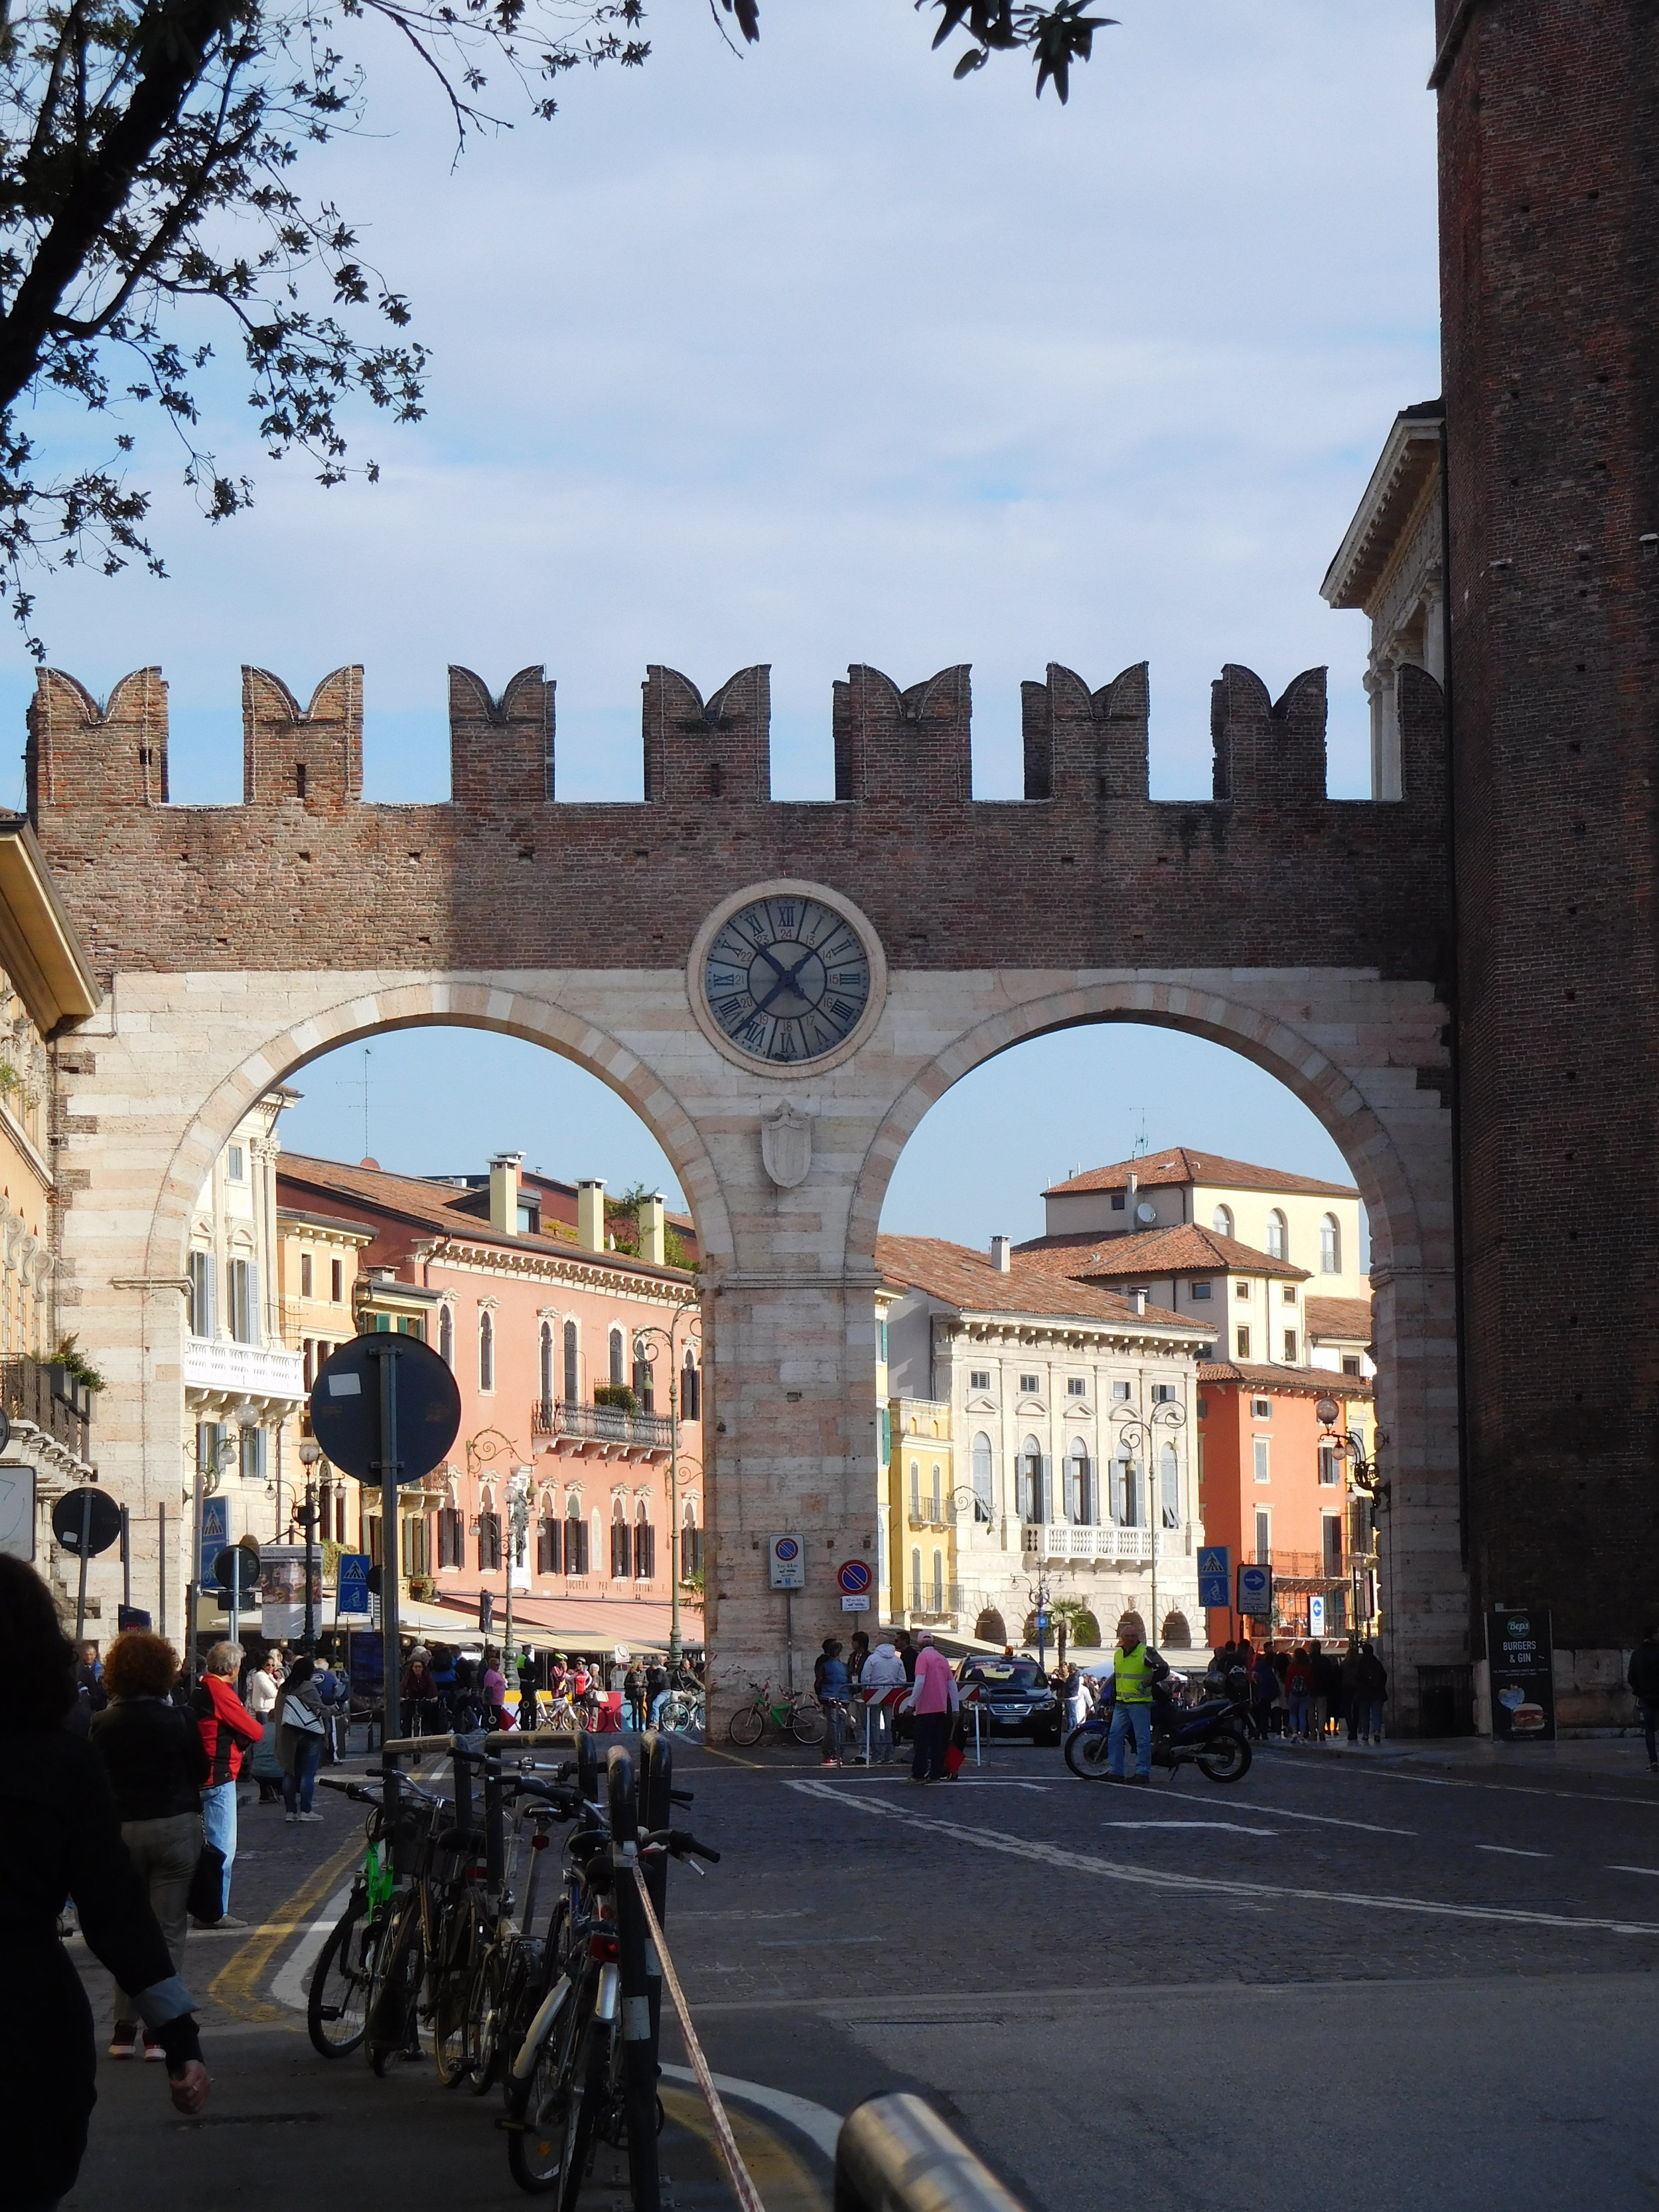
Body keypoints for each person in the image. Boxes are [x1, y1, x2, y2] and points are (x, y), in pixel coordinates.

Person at [0, 1561, 210, 2207]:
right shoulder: (58, 1763)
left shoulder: (92, 1738)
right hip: (22, 2023)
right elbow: (115, 1915)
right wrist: (179, 2041)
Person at [87, 1629, 210, 2062]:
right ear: (165, 1672)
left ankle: (123, 2029)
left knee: (129, 1929)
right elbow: (201, 1771)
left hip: (122, 1831)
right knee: (168, 1930)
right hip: (175, 1826)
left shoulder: (101, 1723)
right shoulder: (180, 1720)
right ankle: (161, 2031)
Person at [187, 1642, 261, 1927]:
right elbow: (254, 1730)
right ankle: (215, 1912)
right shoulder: (220, 1692)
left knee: (203, 1849)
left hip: (200, 1776)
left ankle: (204, 1909)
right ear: (233, 1669)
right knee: (222, 1850)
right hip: (219, 1776)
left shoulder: (200, 1689)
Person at [1106, 1619, 1169, 1784]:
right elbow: (1117, 1678)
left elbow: (1163, 1668)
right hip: (1122, 1703)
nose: (1130, 1639)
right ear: (1122, 1637)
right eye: (1127, 1636)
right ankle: (1116, 1771)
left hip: (1140, 1703)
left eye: (1133, 1636)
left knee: (1142, 1739)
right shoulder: (1118, 1654)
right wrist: (1112, 1699)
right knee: (1114, 1736)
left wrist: (1146, 1683)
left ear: (1138, 1637)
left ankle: (1143, 1772)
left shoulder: (1145, 1651)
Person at [275, 1656, 328, 1822]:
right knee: (307, 1774)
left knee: (289, 1773)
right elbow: (320, 1710)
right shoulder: (307, 1687)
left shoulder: (284, 1688)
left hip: (288, 1736)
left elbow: (278, 1714)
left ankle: (290, 1812)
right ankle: (306, 1810)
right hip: (308, 1735)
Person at [908, 1633, 956, 1784]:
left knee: (922, 1744)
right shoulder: (942, 1658)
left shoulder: (922, 1658)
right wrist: (955, 1708)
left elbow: (920, 1682)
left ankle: (918, 1774)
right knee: (937, 1743)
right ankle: (935, 1774)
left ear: (919, 1644)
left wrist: (911, 1704)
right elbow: (952, 1685)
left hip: (925, 1708)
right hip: (941, 1707)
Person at [244, 1651, 283, 1803]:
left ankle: (270, 1789)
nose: (271, 1667)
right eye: (268, 1665)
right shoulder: (260, 1675)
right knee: (266, 1738)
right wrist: (279, 1683)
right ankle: (270, 1787)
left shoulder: (270, 1676)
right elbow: (273, 1693)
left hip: (270, 1709)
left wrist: (279, 1679)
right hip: (265, 1711)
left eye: (273, 1665)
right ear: (262, 1665)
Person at [860, 1637, 906, 1765]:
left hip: (874, 1694)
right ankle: (889, 1754)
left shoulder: (872, 1659)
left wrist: (868, 1689)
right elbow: (902, 1680)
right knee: (890, 1726)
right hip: (892, 1695)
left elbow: (865, 1678)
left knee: (874, 1725)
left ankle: (877, 1754)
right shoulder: (897, 1660)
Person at [814, 1637, 851, 1767]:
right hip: (844, 1698)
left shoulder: (825, 1666)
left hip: (830, 1698)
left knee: (833, 1726)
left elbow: (819, 1682)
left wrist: (820, 1695)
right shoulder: (844, 1666)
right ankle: (838, 1753)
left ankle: (835, 1755)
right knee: (840, 1726)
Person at [1629, 1627, 1659, 1771]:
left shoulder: (1637, 1654)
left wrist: (1638, 1691)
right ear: (1653, 1635)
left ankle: (1653, 1761)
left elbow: (1631, 1677)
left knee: (1649, 1729)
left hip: (1646, 1696)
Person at [401, 1647, 441, 1735]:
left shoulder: (427, 1676)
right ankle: (406, 1734)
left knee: (429, 1713)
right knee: (407, 1715)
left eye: (419, 1667)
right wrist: (402, 1696)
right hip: (412, 1698)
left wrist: (434, 1697)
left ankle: (427, 1730)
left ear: (423, 1668)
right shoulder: (409, 1676)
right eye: (416, 1667)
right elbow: (403, 1685)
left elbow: (432, 1686)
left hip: (425, 1698)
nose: (417, 1669)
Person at [1356, 1641, 1388, 1744]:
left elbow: (1357, 1678)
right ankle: (1377, 1732)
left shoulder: (1360, 1663)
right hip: (1377, 1692)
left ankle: (1365, 1734)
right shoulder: (1377, 1663)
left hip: (1364, 1693)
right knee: (1376, 1713)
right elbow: (1384, 1676)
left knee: (1365, 1714)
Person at [1285, 1644, 1313, 1740]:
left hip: (1293, 1694)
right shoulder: (1307, 1668)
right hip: (1304, 1694)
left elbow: (1288, 1682)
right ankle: (1302, 1733)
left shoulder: (1291, 1668)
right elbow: (1310, 1682)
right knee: (1302, 1714)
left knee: (1293, 1714)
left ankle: (1294, 1731)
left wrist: (1287, 1694)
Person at [1340, 1639, 1364, 1743]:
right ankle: (1355, 1728)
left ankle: (1351, 1730)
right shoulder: (1359, 1664)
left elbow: (1340, 1676)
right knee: (1356, 1710)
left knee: (1347, 1710)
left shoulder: (1344, 1664)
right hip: (1357, 1688)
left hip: (1346, 1688)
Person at [644, 1657, 670, 1728]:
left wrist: (648, 1683)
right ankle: (658, 1722)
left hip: (664, 1691)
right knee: (659, 1708)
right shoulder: (657, 1671)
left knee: (655, 1705)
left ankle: (656, 1722)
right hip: (662, 1691)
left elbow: (657, 1680)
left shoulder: (659, 1671)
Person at [623, 1660, 646, 1732]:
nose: (642, 1666)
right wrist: (635, 1685)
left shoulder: (643, 1673)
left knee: (641, 1711)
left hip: (641, 1693)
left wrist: (643, 1685)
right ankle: (634, 1728)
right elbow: (626, 1684)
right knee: (634, 1710)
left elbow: (647, 1683)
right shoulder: (631, 1673)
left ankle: (641, 1727)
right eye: (641, 1665)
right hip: (633, 1694)